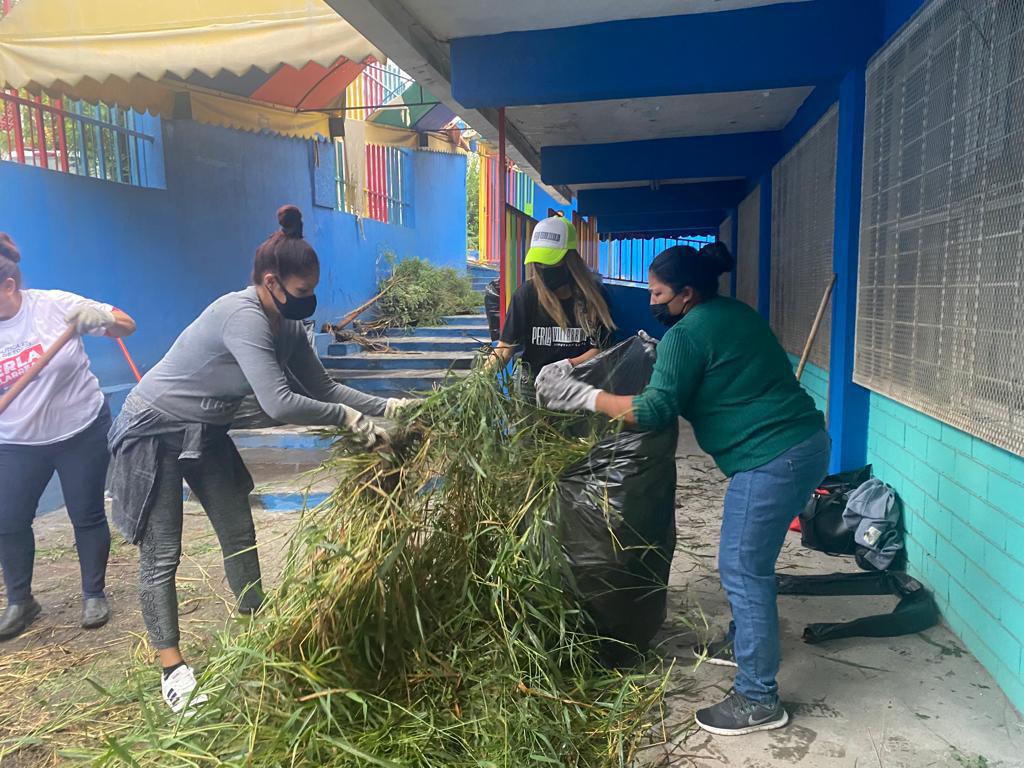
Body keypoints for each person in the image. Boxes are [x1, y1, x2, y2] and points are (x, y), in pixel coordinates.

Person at [107, 205, 409, 714]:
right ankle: (172, 668)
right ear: (271, 281)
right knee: (162, 555)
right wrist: (348, 420)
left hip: (205, 428)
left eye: (313, 292)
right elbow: (279, 401)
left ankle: (255, 625)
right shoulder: (242, 316)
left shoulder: (288, 324)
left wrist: (389, 407)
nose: (307, 303)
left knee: (238, 529)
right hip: (154, 429)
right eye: (300, 293)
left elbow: (322, 386)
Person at [535, 241, 830, 736]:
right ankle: (743, 642)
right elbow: (654, 353)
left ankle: (759, 698)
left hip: (772, 457)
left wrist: (583, 395)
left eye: (657, 293)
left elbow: (652, 409)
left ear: (685, 293)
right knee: (749, 564)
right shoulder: (729, 313)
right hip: (803, 444)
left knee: (741, 567)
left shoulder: (689, 335)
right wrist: (582, 365)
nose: (651, 301)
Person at [0, 232, 137, 640]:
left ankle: (94, 593)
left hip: (80, 429)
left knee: (87, 513)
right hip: (17, 440)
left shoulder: (54, 307)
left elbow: (127, 323)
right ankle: (20, 601)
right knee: (7, 520)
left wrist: (104, 319)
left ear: (8, 286)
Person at [489, 216, 615, 395]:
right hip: (532, 387)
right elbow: (504, 349)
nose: (543, 267)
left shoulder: (594, 298)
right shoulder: (526, 295)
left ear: (570, 259)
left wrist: (569, 364)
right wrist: (478, 380)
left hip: (578, 387)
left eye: (550, 261)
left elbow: (601, 349)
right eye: (539, 261)